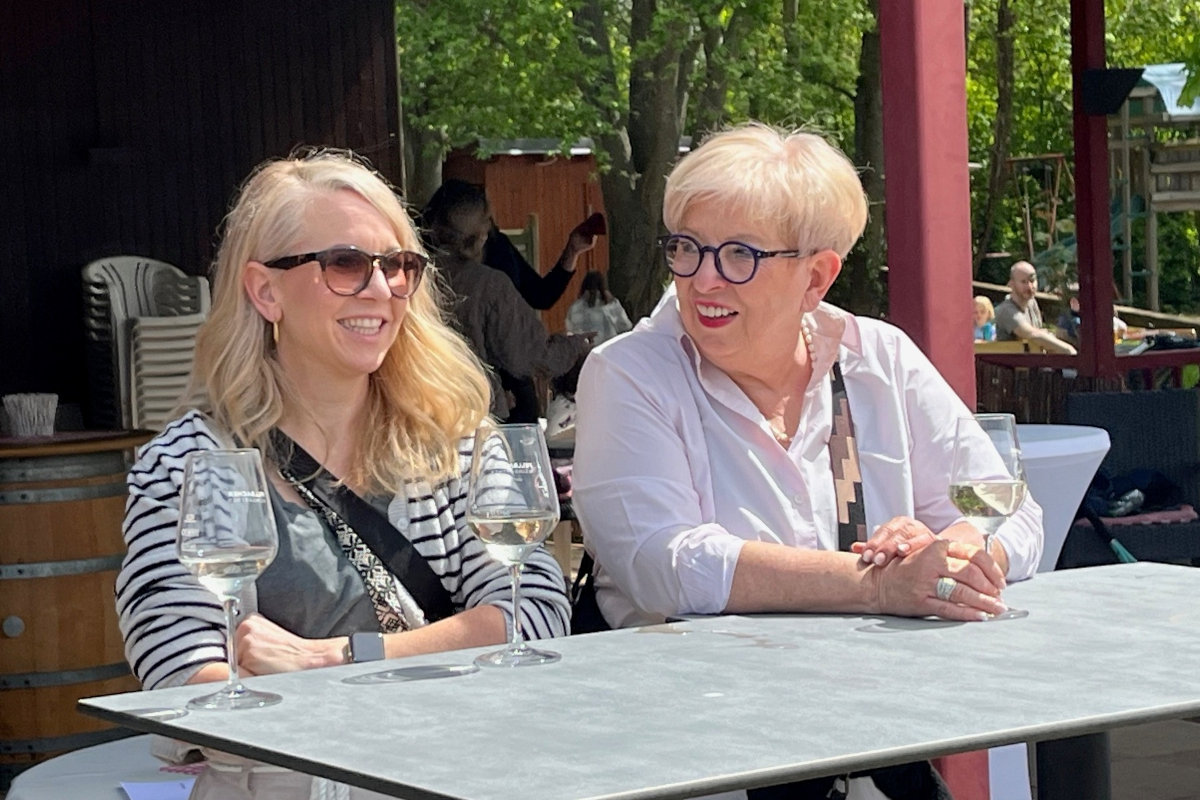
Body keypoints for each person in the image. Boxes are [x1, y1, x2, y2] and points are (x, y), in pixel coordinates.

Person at [572, 124, 1043, 800]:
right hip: (696, 755)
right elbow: (663, 564)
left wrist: (951, 555)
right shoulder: (629, 373)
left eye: (739, 254)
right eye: (687, 248)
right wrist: (876, 584)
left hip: (871, 741)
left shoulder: (879, 358)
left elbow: (1010, 510)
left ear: (816, 276)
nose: (703, 278)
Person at [116, 150, 570, 799]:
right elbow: (183, 675)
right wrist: (443, 653)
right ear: (265, 290)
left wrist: (334, 660)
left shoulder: (456, 437)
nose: (380, 288)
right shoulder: (189, 463)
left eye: (398, 265)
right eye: (346, 264)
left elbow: (534, 613)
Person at [422, 181, 591, 421]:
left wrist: (571, 252)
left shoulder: (409, 275)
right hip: (479, 411)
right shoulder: (488, 283)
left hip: (423, 406)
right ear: (482, 232)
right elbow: (530, 355)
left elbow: (540, 294)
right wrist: (575, 347)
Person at [994, 262, 1076, 354]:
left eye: (1032, 280)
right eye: (1023, 282)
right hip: (1011, 362)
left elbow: (1040, 334)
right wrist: (1069, 350)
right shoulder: (1007, 311)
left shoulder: (1032, 303)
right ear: (1011, 284)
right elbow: (1033, 335)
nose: (1029, 286)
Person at [566, 271, 633, 346]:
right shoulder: (610, 305)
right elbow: (626, 326)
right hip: (608, 348)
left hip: (584, 349)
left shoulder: (575, 307)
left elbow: (569, 329)